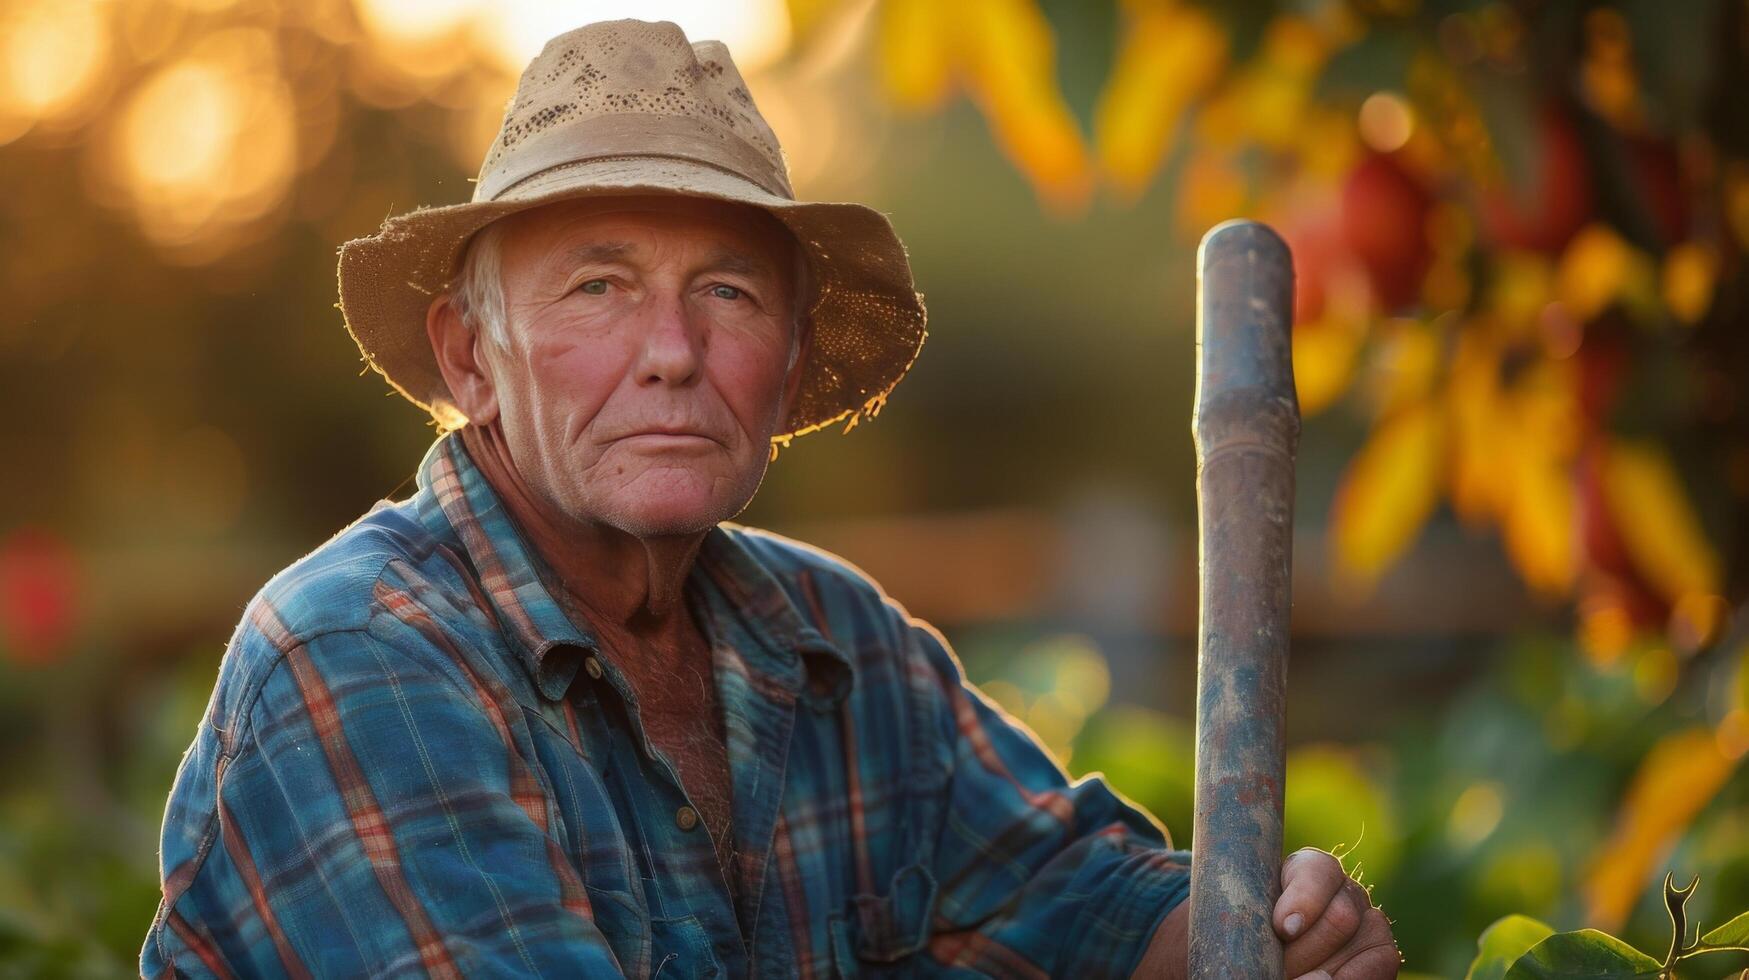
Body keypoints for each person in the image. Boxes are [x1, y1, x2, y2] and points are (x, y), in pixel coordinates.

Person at [142, 18, 1398, 979]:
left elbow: (1107, 911)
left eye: (730, 292)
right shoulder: (363, 653)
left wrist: (1272, 927)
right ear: (473, 358)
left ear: (789, 361)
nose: (674, 350)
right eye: (598, 286)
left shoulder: (839, 646)